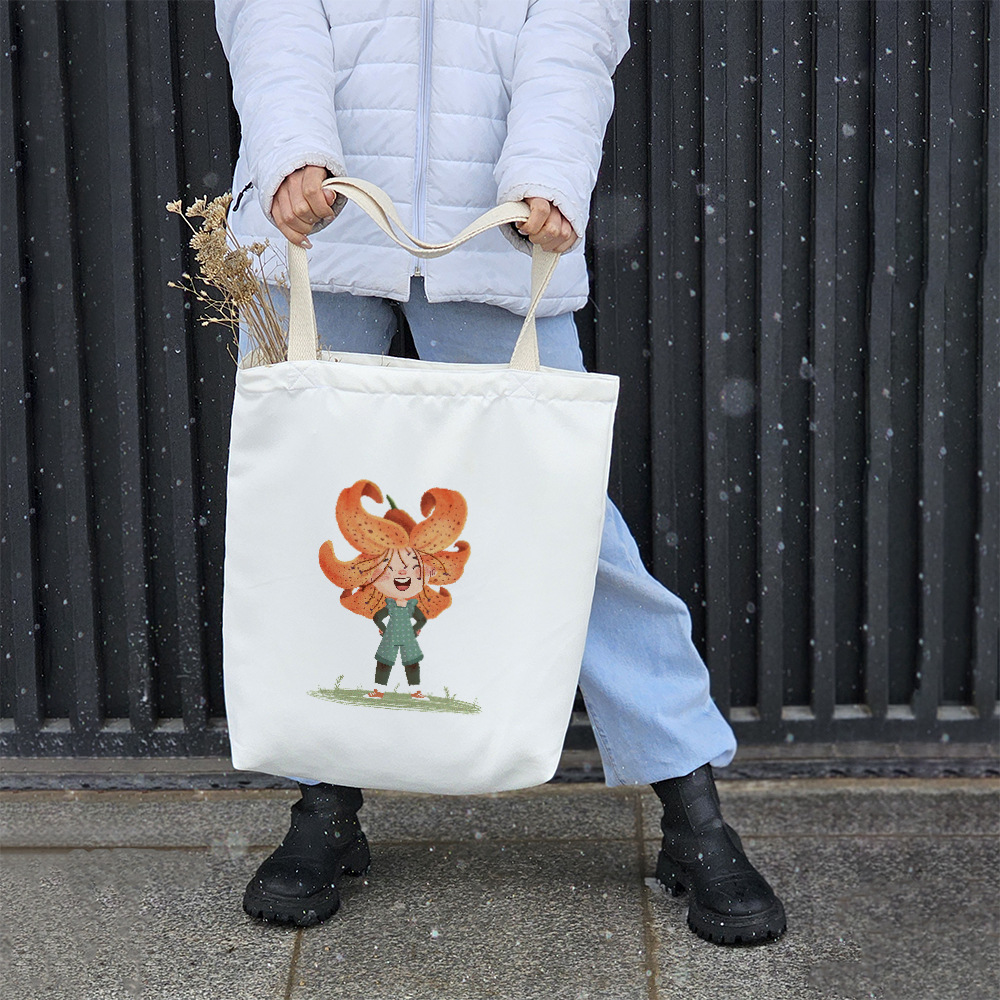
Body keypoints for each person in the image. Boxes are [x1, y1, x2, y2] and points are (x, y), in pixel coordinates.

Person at [215, 0, 786, 946]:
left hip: (496, 233)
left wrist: (548, 174)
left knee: (569, 529)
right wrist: (291, 153)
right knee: (311, 529)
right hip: (316, 228)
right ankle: (323, 803)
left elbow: (573, 27)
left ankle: (693, 812)